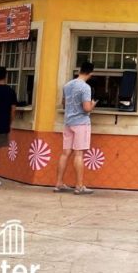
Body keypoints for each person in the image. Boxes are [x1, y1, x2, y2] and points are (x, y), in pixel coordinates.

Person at [55, 61, 95, 195]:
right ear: (91, 73)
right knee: (78, 154)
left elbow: (64, 103)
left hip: (68, 122)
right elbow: (86, 108)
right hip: (81, 123)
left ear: (79, 70)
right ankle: (79, 186)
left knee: (65, 153)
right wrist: (93, 105)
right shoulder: (85, 88)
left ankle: (59, 183)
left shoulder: (67, 85)